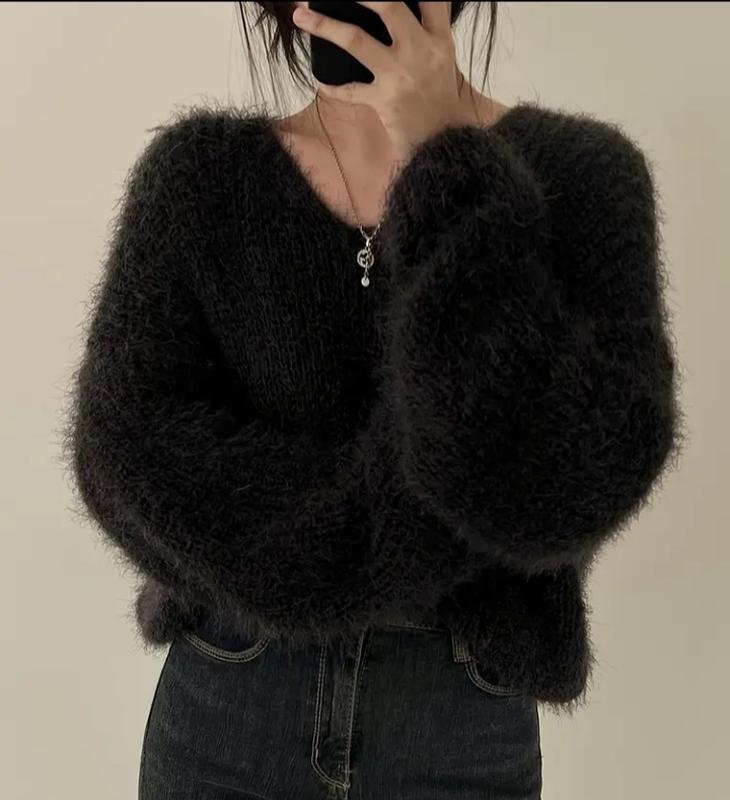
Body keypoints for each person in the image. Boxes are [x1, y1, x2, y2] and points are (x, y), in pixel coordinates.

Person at [62, 2, 682, 798]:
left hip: (458, 726)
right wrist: (420, 536)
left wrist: (448, 161)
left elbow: (569, 481)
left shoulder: (584, 177)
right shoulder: (201, 176)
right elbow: (127, 452)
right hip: (230, 708)